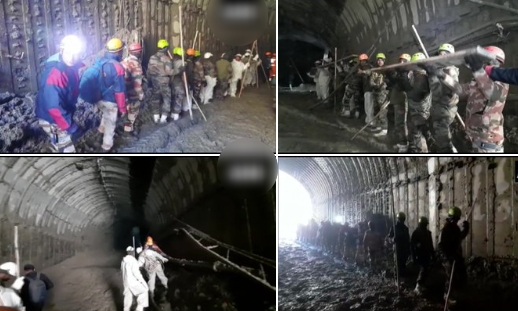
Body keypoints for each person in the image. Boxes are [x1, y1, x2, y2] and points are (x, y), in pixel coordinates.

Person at [35, 35, 85, 153]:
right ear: (61, 51)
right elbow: (54, 107)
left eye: (75, 54)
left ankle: (53, 148)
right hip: (52, 118)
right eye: (68, 53)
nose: (71, 58)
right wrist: (70, 126)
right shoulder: (56, 74)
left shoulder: (70, 68)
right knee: (68, 149)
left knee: (57, 141)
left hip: (57, 114)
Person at [461, 46, 509, 152]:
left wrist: (478, 70)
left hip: (488, 145)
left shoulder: (501, 78)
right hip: (475, 141)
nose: (482, 64)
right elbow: (459, 91)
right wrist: (441, 76)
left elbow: (493, 95)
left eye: (483, 60)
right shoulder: (477, 81)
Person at [421, 43, 459, 153]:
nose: (441, 55)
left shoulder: (450, 71)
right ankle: (450, 148)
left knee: (442, 138)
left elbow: (440, 93)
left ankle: (448, 154)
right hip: (440, 108)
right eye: (440, 53)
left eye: (445, 54)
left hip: (445, 109)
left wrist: (432, 76)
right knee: (441, 134)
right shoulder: (443, 69)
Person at [93, 38, 127, 152]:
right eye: (121, 50)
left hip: (98, 99)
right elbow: (120, 91)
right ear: (118, 52)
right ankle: (106, 148)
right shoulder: (117, 67)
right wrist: (122, 108)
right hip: (110, 101)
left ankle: (98, 138)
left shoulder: (99, 61)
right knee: (110, 126)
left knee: (105, 116)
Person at [401, 52, 432, 153]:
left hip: (420, 111)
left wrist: (405, 81)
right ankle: (413, 148)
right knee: (413, 131)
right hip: (415, 109)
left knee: (419, 132)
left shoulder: (422, 77)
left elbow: (414, 95)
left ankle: (418, 151)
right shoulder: (416, 75)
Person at [438, 206, 470, 305]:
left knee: (460, 274)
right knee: (450, 275)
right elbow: (441, 245)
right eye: (455, 219)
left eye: (457, 219)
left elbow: (460, 237)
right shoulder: (446, 228)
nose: (456, 221)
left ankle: (455, 293)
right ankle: (447, 296)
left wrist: (466, 229)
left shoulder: (454, 228)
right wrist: (448, 257)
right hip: (448, 257)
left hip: (456, 256)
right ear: (451, 218)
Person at [386, 54, 410, 151]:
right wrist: (390, 75)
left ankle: (403, 144)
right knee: (395, 123)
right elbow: (394, 83)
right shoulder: (399, 73)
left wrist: (400, 75)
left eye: (404, 61)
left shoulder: (408, 73)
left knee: (400, 123)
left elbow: (405, 86)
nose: (401, 62)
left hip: (401, 102)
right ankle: (399, 142)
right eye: (400, 60)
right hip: (395, 100)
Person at [147, 40, 175, 123]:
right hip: (164, 82)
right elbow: (170, 72)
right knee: (167, 99)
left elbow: (148, 71)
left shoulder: (152, 57)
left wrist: (149, 82)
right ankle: (163, 119)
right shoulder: (167, 59)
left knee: (155, 99)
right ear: (166, 48)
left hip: (154, 81)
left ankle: (156, 117)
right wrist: (180, 69)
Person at [120, 42, 145, 135]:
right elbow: (137, 83)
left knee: (126, 109)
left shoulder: (124, 61)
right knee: (133, 111)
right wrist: (141, 95)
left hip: (121, 91)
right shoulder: (136, 65)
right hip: (132, 92)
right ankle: (128, 131)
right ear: (138, 52)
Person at [411, 217, 435, 294]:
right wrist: (414, 256)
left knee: (426, 269)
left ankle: (421, 285)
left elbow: (430, 245)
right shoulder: (416, 233)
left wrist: (433, 255)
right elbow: (412, 245)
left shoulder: (428, 233)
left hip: (426, 254)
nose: (424, 226)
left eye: (425, 224)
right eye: (423, 224)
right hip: (420, 254)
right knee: (423, 269)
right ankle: (418, 286)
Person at [121, 246, 149, 311]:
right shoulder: (133, 260)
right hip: (132, 282)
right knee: (144, 290)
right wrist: (143, 282)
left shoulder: (123, 261)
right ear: (133, 252)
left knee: (128, 297)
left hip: (126, 282)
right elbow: (137, 274)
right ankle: (139, 309)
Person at [387, 212, 411, 278]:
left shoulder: (405, 228)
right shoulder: (394, 228)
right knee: (397, 264)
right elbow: (389, 238)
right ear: (398, 219)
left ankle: (403, 277)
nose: (401, 220)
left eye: (402, 219)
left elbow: (407, 240)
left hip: (404, 249)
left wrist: (409, 250)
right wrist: (393, 240)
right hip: (397, 248)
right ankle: (396, 277)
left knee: (403, 264)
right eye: (400, 219)